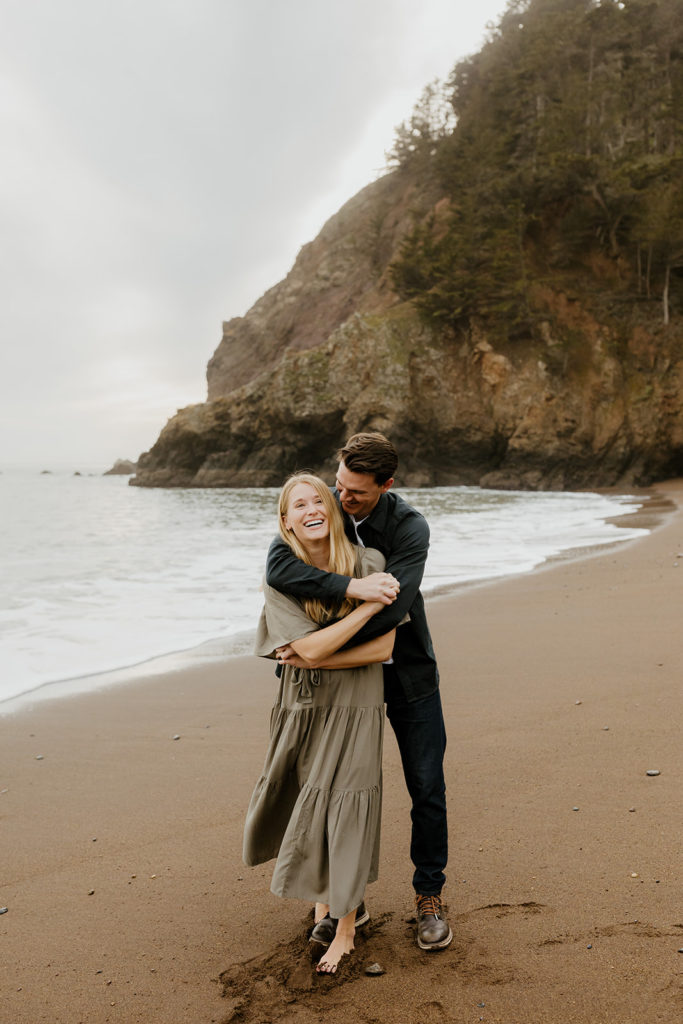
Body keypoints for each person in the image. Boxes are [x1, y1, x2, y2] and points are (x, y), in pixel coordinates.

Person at [266, 433, 451, 951]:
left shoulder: (410, 526)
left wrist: (319, 648)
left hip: (406, 673)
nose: (341, 499)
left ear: (386, 486)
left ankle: (429, 897)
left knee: (426, 786)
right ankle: (346, 898)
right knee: (328, 786)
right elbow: (279, 568)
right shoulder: (323, 503)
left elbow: (395, 609)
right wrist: (353, 591)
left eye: (356, 494)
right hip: (341, 687)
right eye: (339, 484)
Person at [243, 472, 399, 974]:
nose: (310, 509)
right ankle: (324, 907)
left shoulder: (370, 563)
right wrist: (364, 606)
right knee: (308, 798)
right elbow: (305, 649)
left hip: (355, 704)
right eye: (298, 505)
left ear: (332, 511)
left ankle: (347, 929)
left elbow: (385, 647)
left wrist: (314, 652)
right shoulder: (280, 577)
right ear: (285, 522)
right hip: (302, 705)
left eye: (318, 500)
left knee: (347, 802)